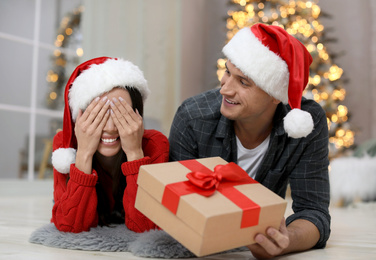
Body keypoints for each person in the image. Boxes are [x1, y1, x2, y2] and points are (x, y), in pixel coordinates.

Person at [169, 23, 330, 258]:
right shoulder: (193, 117)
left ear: (276, 96)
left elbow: (314, 212)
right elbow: (175, 209)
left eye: (244, 82)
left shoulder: (306, 124)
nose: (225, 90)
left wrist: (286, 241)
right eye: (227, 72)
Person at [51, 57, 169, 233]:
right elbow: (69, 227)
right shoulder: (65, 145)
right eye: (99, 115)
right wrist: (83, 154)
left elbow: (147, 228)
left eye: (120, 115)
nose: (110, 128)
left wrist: (135, 153)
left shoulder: (155, 144)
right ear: (80, 118)